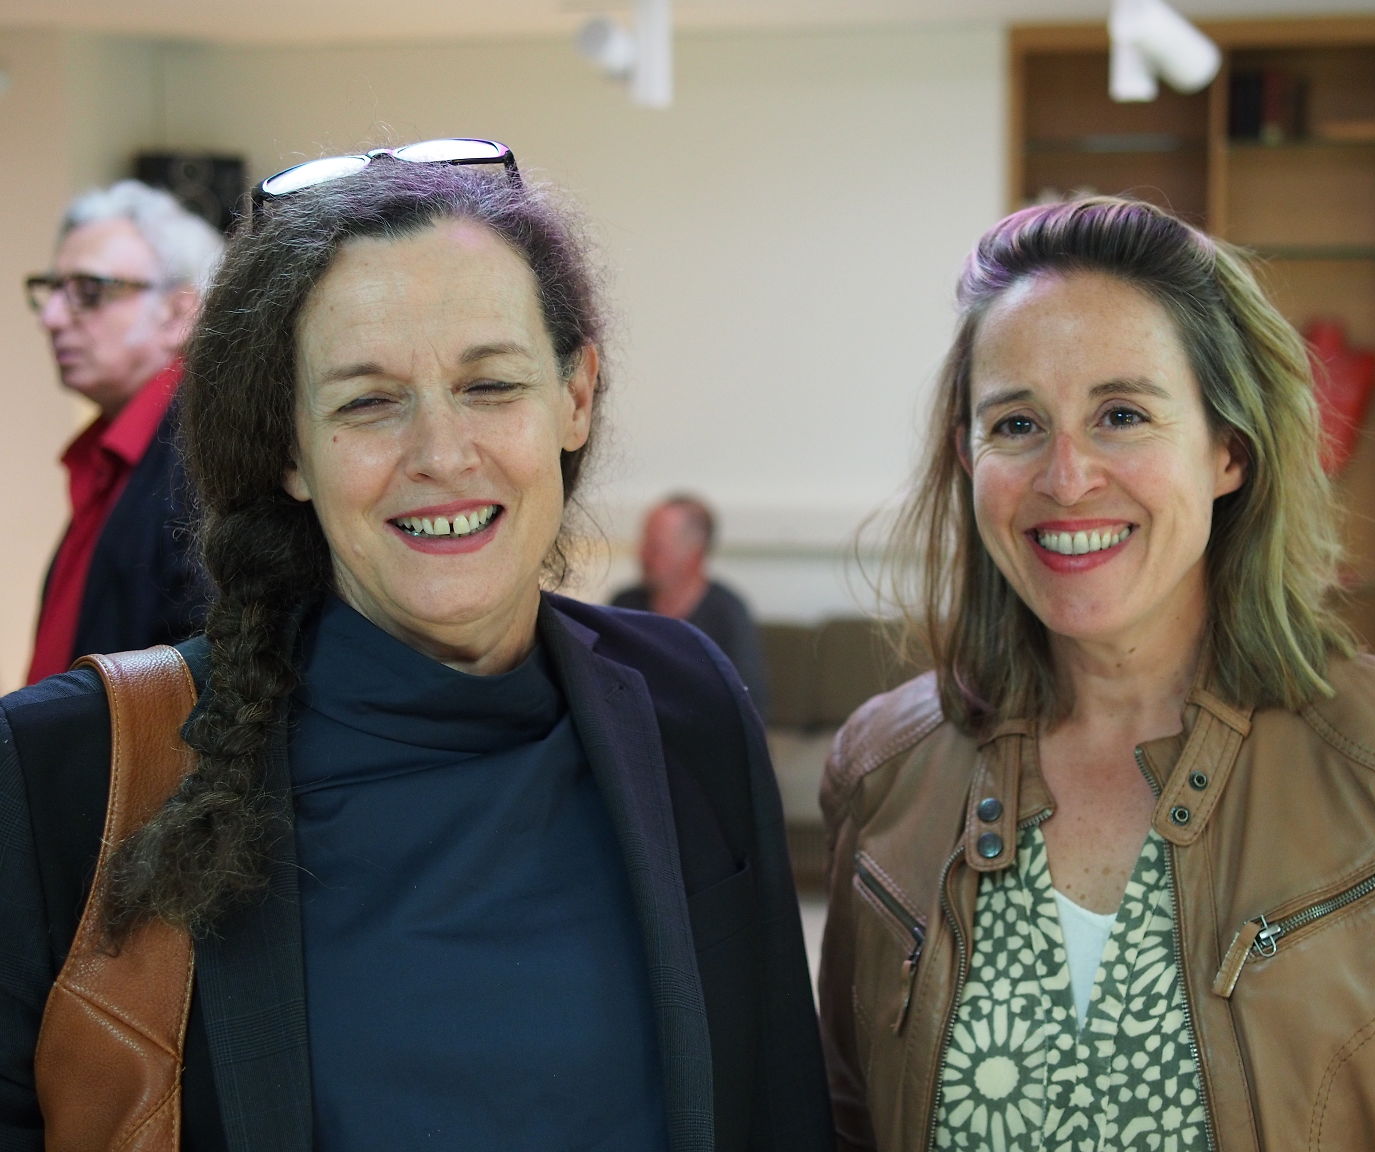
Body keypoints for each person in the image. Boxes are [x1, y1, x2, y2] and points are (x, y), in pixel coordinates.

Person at [0, 140, 831, 1150]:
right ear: (288, 448)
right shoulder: (65, 776)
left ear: (574, 397)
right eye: (367, 401)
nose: (442, 453)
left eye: (491, 385)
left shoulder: (684, 705)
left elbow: (780, 1106)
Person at [817, 196, 1375, 1151]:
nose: (1066, 477)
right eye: (1017, 424)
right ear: (967, 456)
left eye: (1121, 415)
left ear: (1227, 449)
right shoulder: (883, 770)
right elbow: (843, 1121)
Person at [22, 180, 224, 683]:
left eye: (90, 293)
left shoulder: (205, 453)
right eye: (53, 290)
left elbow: (204, 673)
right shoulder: (114, 452)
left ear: (179, 312)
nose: (52, 318)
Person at [612, 494, 770, 706]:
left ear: (694, 555)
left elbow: (748, 704)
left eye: (655, 548)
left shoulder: (727, 614)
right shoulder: (624, 605)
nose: (642, 555)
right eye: (644, 544)